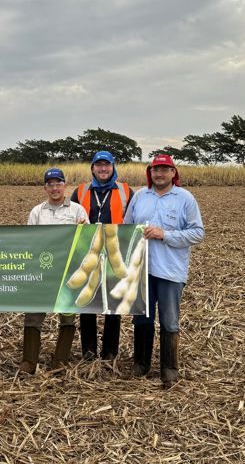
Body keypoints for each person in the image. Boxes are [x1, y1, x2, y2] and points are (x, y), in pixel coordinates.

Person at [123, 154, 204, 388]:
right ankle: (141, 364)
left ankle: (169, 369)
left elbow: (198, 233)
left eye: (164, 169)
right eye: (155, 170)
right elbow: (126, 228)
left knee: (169, 322)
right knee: (142, 320)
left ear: (173, 173)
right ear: (150, 172)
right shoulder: (140, 196)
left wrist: (165, 235)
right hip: (142, 270)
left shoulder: (185, 199)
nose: (159, 174)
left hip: (170, 271)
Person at [20, 168, 89, 373]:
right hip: (42, 272)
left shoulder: (77, 211)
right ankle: (29, 361)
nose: (54, 188)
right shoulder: (37, 212)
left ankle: (60, 359)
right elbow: (29, 242)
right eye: (50, 184)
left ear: (65, 186)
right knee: (33, 315)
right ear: (45, 188)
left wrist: (83, 231)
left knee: (67, 317)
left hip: (69, 271)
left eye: (58, 183)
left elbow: (86, 241)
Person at [70, 150, 133, 361]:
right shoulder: (80, 191)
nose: (103, 169)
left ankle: (110, 352)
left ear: (113, 167)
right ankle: (88, 350)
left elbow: (134, 221)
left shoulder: (126, 191)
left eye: (107, 165)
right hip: (87, 252)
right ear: (93, 168)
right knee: (86, 304)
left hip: (116, 251)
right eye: (99, 165)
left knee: (112, 305)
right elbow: (71, 217)